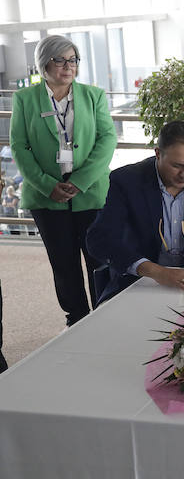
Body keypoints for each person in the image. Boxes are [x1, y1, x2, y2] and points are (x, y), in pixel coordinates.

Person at [10, 35, 117, 325]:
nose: (68, 66)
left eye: (73, 60)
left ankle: (104, 316)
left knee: (99, 259)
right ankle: (77, 319)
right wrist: (46, 185)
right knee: (63, 262)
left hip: (90, 191)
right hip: (46, 196)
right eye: (60, 60)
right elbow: (19, 146)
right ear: (44, 64)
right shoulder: (25, 99)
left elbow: (108, 139)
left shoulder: (93, 95)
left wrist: (81, 181)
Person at [86, 121, 184, 300]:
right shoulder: (127, 181)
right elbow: (99, 240)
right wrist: (156, 272)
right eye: (177, 165)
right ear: (158, 154)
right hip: (140, 282)